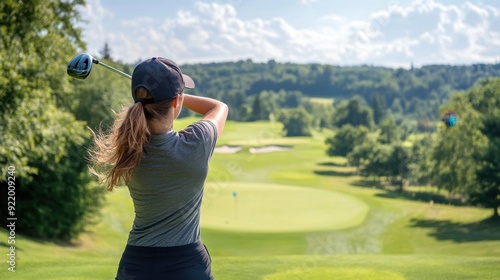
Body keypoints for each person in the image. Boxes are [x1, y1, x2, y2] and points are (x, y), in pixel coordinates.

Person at [89, 57, 228, 280]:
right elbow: (218, 107)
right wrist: (179, 96)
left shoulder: (128, 149)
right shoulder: (196, 143)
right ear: (176, 102)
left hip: (136, 265)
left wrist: (154, 100)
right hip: (188, 266)